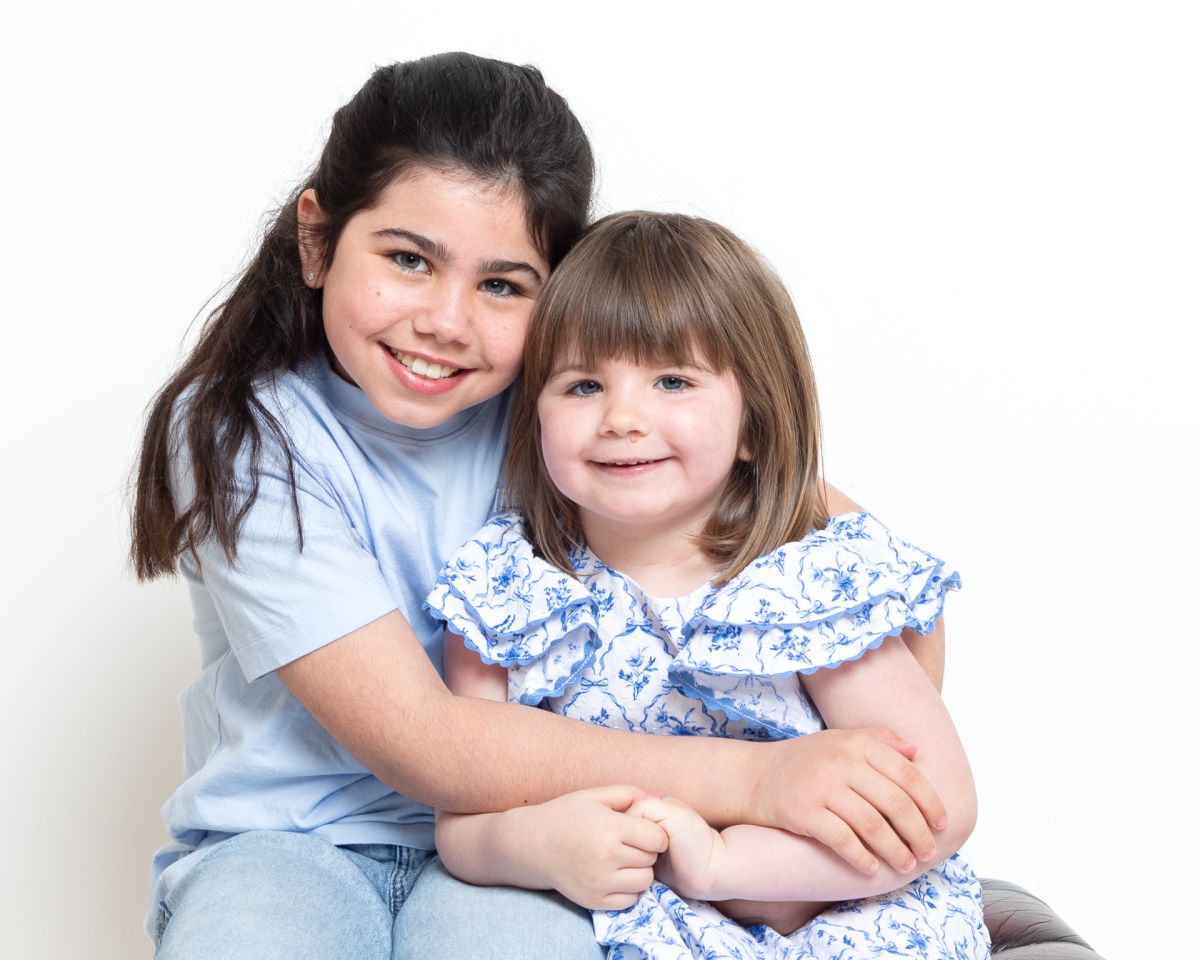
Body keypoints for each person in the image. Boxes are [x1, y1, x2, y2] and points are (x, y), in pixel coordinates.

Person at [132, 53, 951, 960]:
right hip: (286, 842)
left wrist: (867, 750)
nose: (446, 322)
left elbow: (832, 541)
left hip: (537, 839)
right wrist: (764, 779)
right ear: (317, 241)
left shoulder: (577, 412)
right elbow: (427, 742)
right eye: (408, 259)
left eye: (501, 285)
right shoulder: (244, 432)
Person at [426, 211, 989, 959]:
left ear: (753, 424)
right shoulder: (507, 590)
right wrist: (536, 843)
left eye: (673, 381)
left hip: (844, 922)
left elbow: (940, 805)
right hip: (633, 926)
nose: (622, 417)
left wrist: (727, 865)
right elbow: (461, 822)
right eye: (584, 384)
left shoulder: (805, 584)